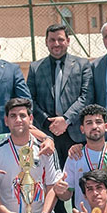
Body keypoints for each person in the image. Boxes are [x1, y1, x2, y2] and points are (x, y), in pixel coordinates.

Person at [26, 23, 93, 165]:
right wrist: (47, 121)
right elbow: (29, 99)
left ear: (68, 41)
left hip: (75, 133)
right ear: (46, 42)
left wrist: (66, 120)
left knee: (77, 175)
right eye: (52, 40)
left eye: (60, 39)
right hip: (45, 134)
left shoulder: (82, 65)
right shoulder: (35, 68)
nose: (56, 44)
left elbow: (86, 97)